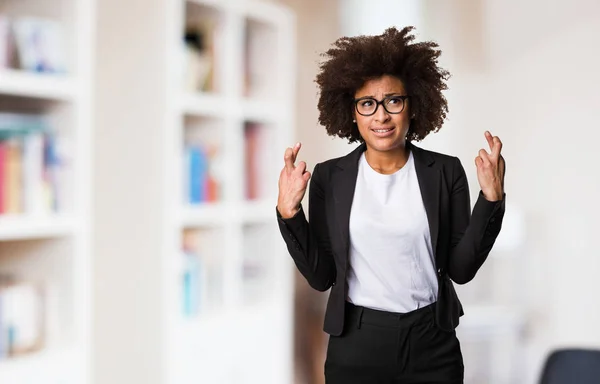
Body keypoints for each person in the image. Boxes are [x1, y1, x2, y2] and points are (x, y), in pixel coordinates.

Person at [276, 26, 506, 384]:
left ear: (413, 106)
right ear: (352, 113)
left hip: (432, 340)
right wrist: (291, 214)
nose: (381, 116)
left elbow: (461, 269)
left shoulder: (445, 172)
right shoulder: (329, 178)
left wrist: (490, 199)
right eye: (367, 104)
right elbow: (322, 277)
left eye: (393, 101)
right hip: (357, 341)